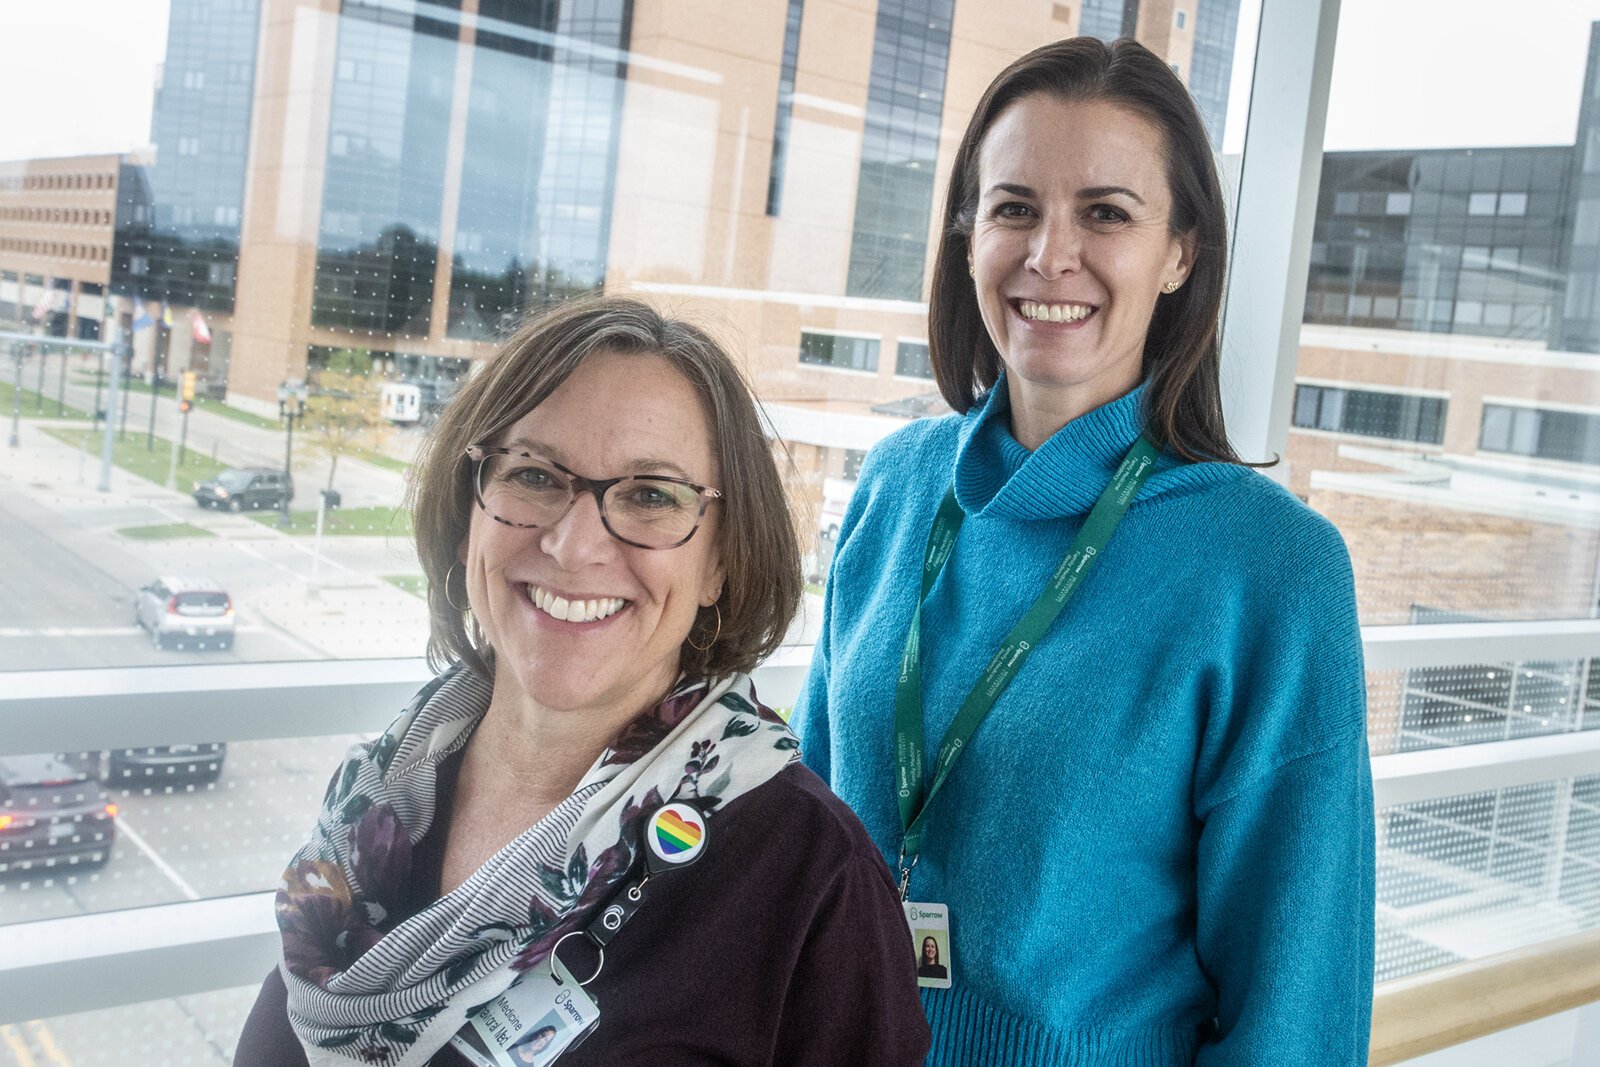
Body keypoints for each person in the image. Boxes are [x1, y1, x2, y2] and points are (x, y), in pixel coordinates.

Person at [796, 37, 1374, 1066]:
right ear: (966, 231)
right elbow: (808, 834)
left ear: (1181, 252)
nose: (1048, 253)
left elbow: (1295, 999)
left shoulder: (1270, 569)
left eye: (1105, 212)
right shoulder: (894, 487)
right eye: (1014, 206)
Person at [236, 296, 930, 1066]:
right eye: (533, 474)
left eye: (650, 494)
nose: (572, 543)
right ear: (472, 509)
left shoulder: (812, 883)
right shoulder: (377, 799)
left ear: (720, 562)